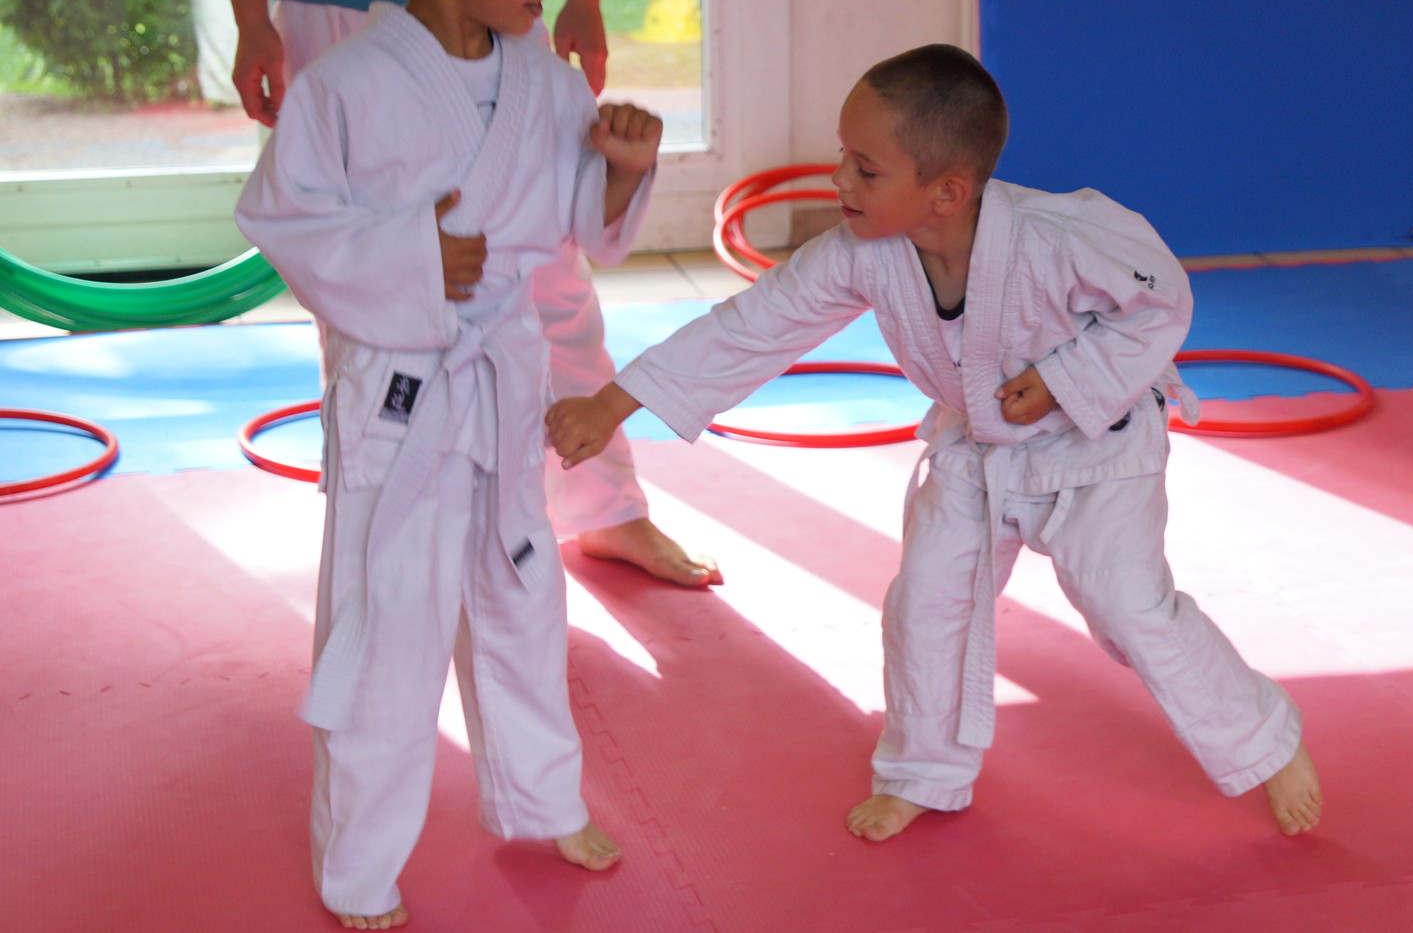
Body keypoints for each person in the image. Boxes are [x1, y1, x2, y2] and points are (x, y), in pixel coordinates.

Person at [545, 44, 1324, 843]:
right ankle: (922, 771)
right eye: (842, 156)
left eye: (865, 168)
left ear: (946, 191)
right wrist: (612, 402)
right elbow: (752, 325)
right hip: (977, 450)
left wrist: (1062, 379)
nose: (839, 180)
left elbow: (1160, 304)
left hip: (1098, 449)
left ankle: (1265, 741)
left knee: (1128, 607)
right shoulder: (861, 252)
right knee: (924, 603)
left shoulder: (1060, 237)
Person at [236, 0, 644, 928]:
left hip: (502, 381)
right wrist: (413, 256)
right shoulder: (346, 87)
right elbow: (280, 219)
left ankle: (541, 799)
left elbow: (585, 225)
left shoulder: (545, 84)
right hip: (399, 398)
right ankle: (358, 867)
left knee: (523, 597)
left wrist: (620, 169)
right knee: (390, 628)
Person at [217, 0, 718, 587]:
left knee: (546, 267)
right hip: (336, 1)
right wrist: (250, 18)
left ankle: (604, 505)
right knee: (364, 285)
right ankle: (377, 515)